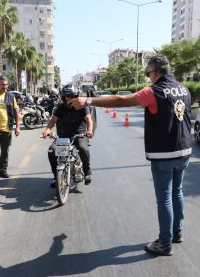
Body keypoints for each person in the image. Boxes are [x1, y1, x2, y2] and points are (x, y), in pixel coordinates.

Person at [68, 55, 191, 256]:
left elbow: (122, 100)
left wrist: (87, 100)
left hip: (164, 153)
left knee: (165, 198)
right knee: (177, 192)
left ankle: (164, 242)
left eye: (150, 74)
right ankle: (177, 233)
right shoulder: (183, 88)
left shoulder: (154, 91)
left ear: (155, 72)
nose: (150, 78)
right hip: (184, 150)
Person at [41, 83, 93, 187]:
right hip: (64, 137)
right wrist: (47, 130)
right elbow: (53, 119)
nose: (68, 98)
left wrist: (89, 130)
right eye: (66, 96)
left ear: (76, 96)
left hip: (79, 135)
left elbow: (88, 119)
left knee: (82, 148)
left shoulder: (82, 105)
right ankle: (56, 177)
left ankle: (87, 171)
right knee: (52, 150)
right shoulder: (61, 107)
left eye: (71, 96)